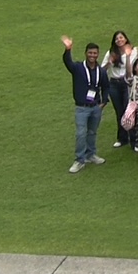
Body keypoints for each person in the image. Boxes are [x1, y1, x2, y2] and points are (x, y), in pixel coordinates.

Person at [61, 36, 109, 174]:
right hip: (81, 107)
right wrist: (68, 49)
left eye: (95, 53)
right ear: (86, 53)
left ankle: (91, 154)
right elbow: (67, 61)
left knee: (92, 132)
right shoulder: (78, 68)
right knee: (81, 133)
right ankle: (79, 160)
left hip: (95, 107)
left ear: (98, 54)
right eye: (90, 53)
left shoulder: (101, 71)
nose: (92, 55)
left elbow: (106, 87)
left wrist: (103, 102)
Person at [105, 31, 138, 150]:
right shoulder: (111, 53)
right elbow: (102, 70)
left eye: (121, 37)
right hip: (114, 84)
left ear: (126, 39)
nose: (119, 40)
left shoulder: (134, 51)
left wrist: (131, 56)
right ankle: (122, 138)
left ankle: (134, 140)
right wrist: (110, 62)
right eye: (116, 38)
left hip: (127, 83)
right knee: (119, 111)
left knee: (129, 111)